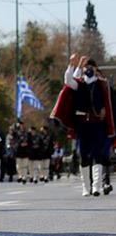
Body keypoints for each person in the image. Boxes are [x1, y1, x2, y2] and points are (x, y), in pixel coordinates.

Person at [51, 54, 115, 196]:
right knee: (84, 155)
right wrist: (75, 64)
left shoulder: (102, 84)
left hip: (98, 124)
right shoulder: (78, 83)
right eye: (86, 66)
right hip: (82, 125)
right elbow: (68, 80)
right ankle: (86, 187)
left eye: (91, 66)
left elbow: (109, 102)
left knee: (97, 155)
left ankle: (96, 186)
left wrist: (105, 110)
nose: (88, 69)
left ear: (96, 68)